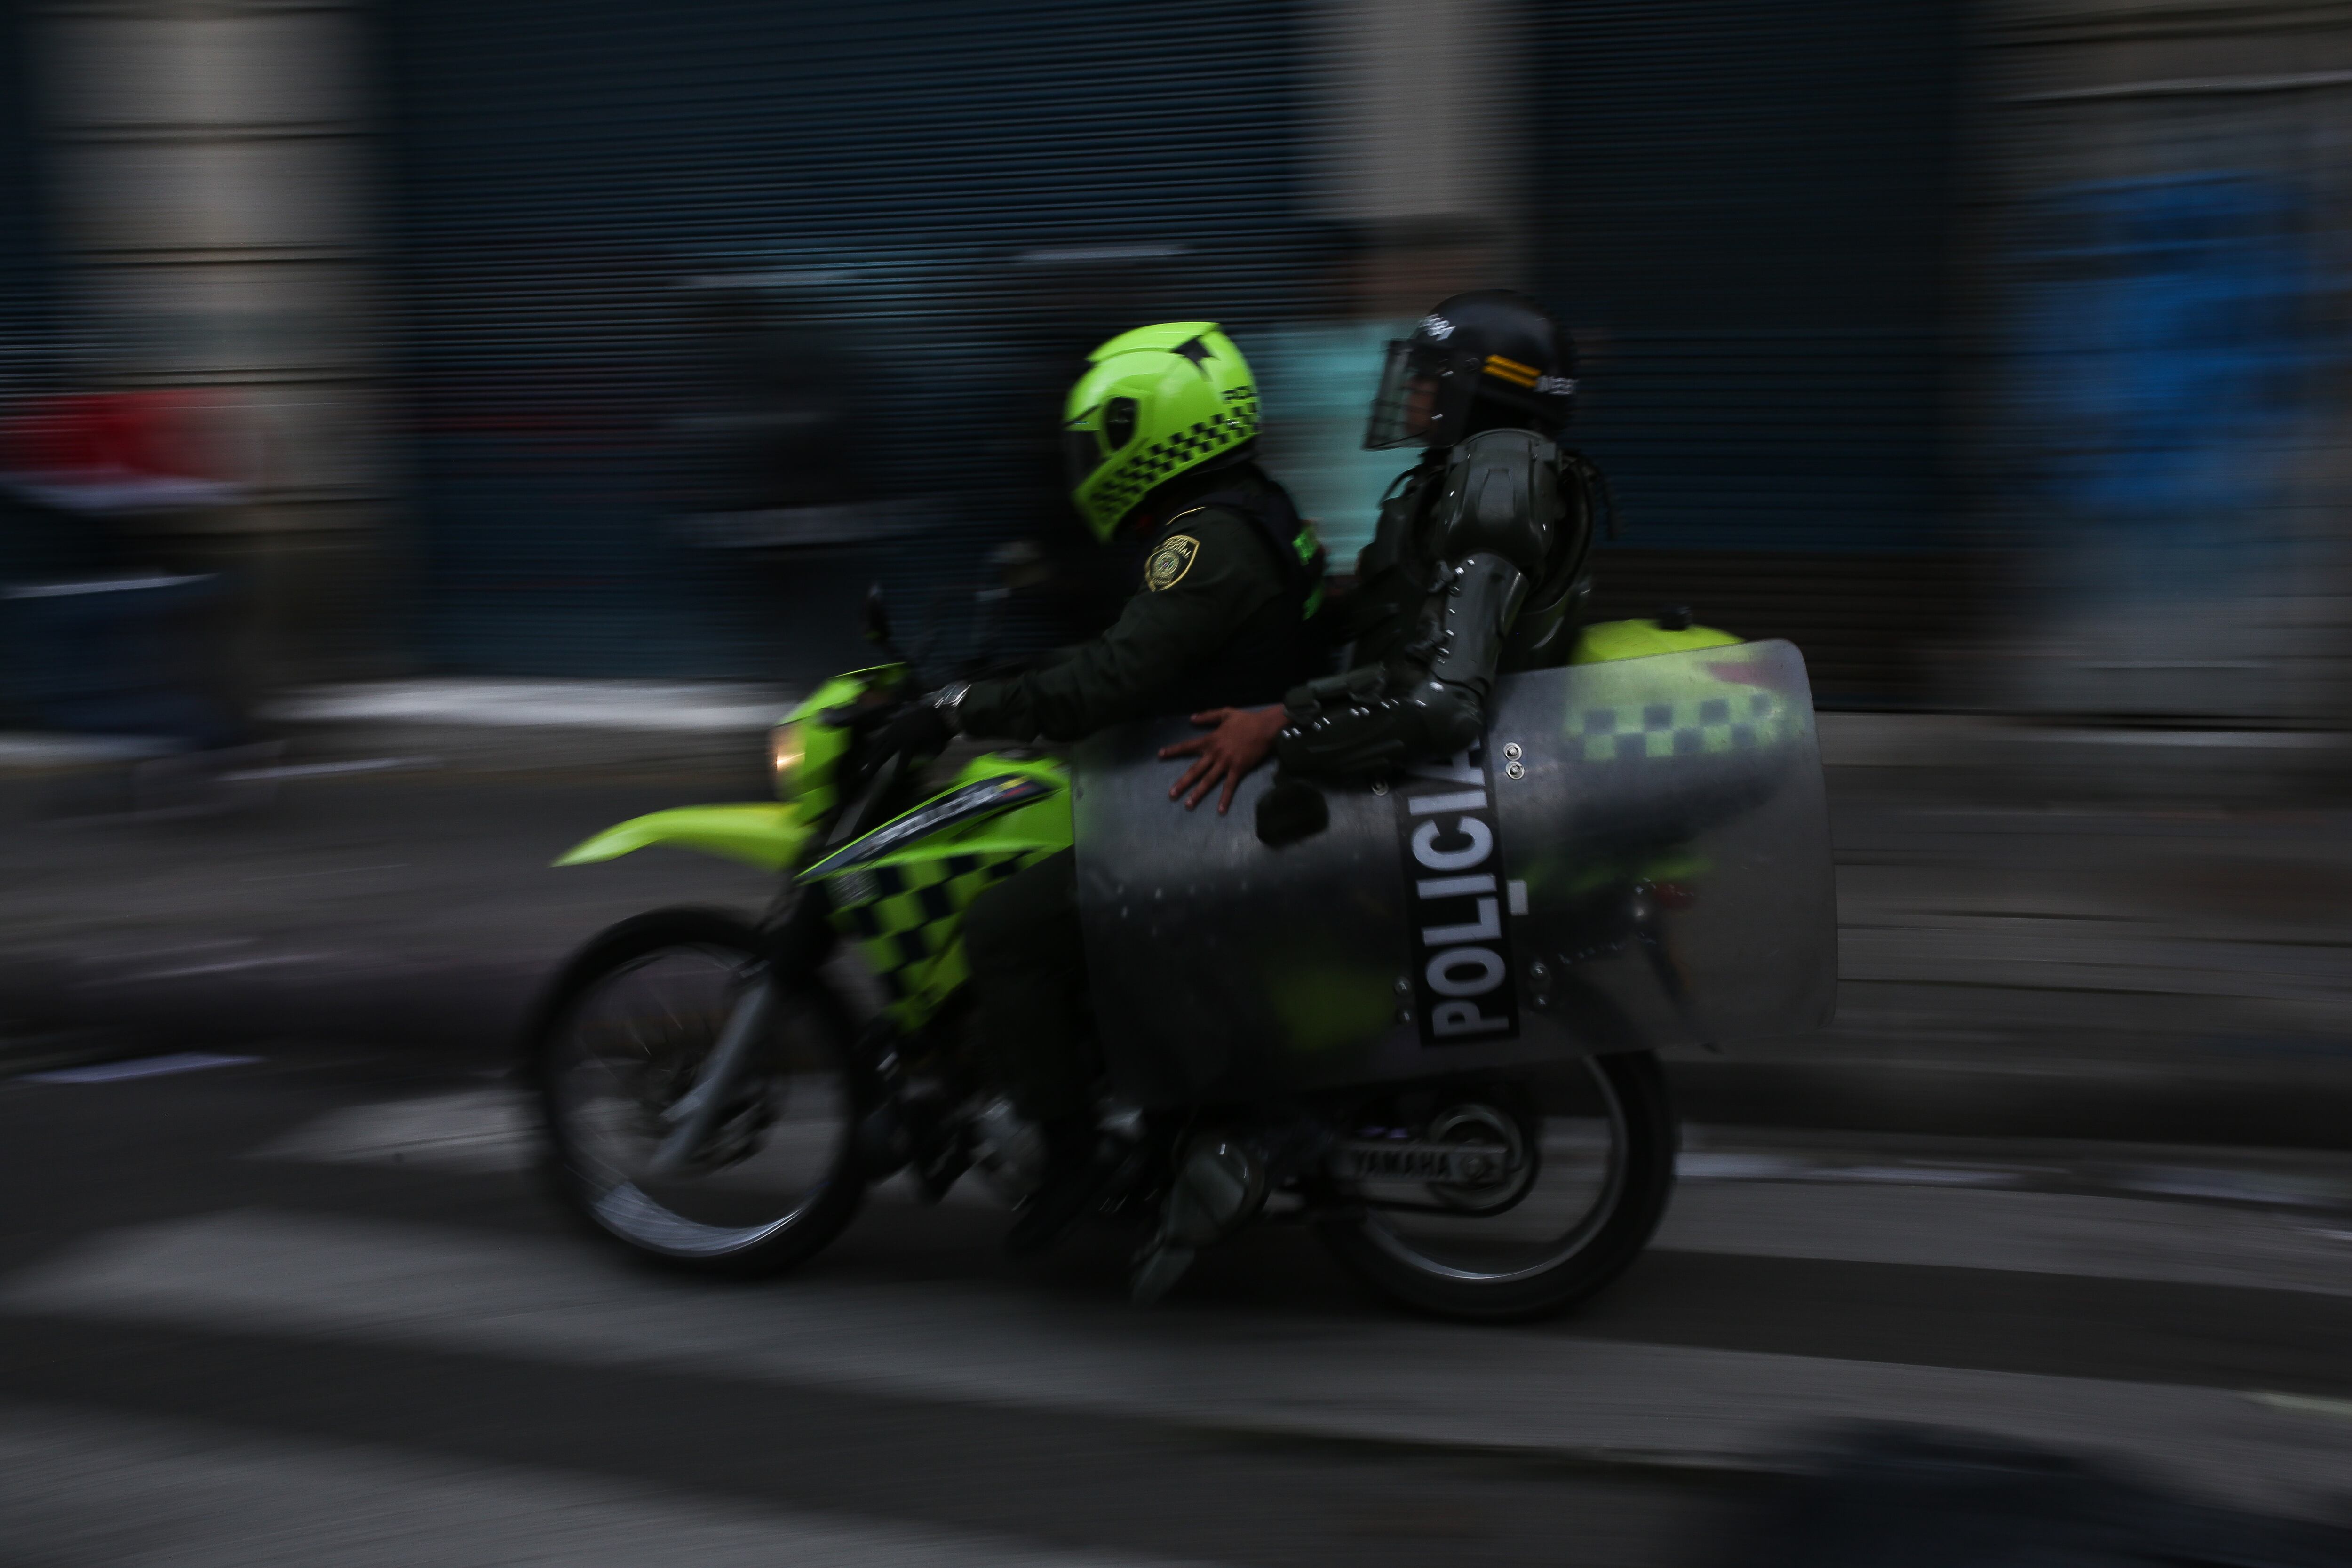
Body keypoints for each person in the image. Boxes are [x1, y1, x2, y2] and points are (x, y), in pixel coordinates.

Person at [869, 321, 1326, 1253]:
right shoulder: (1260, 510)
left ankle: (1070, 1153)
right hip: (1245, 796)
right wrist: (1027, 671)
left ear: (1153, 429)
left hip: (1201, 820)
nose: (1090, 462)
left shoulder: (1201, 545)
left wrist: (958, 708)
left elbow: (1108, 684)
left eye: (1099, 441)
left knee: (1001, 929)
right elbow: (1150, 655)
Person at [1168, 289, 1606, 781]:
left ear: (1487, 391)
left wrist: (1281, 730)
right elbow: (1411, 624)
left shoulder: (1498, 484)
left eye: (1429, 374)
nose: (1413, 386)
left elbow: (1444, 705)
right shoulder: (1455, 477)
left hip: (1458, 794)